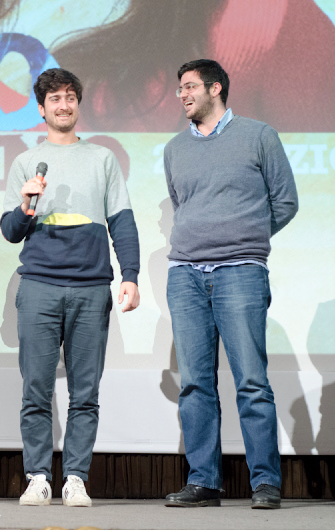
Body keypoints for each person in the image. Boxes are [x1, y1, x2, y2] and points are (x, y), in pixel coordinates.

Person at [1, 68, 140, 507]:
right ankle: (38, 476)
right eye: (55, 99)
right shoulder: (26, 163)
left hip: (91, 288)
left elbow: (122, 222)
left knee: (86, 393)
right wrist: (26, 206)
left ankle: (76, 477)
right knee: (35, 390)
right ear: (41, 109)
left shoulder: (102, 158)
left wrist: (131, 275)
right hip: (39, 286)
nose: (63, 105)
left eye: (70, 97)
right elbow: (10, 231)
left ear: (78, 104)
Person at [163, 59, 298, 510]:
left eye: (189, 87)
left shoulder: (259, 136)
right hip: (185, 275)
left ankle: (265, 483)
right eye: (180, 89)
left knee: (252, 382)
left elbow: (285, 201)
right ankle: (204, 482)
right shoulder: (174, 149)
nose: (182, 95)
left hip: (240, 271)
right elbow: (184, 205)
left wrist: (247, 235)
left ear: (215, 88)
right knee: (194, 385)